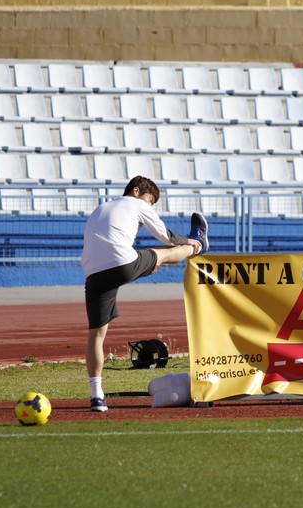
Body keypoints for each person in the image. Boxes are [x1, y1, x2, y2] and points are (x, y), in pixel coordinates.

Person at [81, 176, 209, 412]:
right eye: (151, 201)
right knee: (162, 253)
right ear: (137, 191)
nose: (150, 206)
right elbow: (165, 236)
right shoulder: (138, 204)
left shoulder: (101, 207)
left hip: (93, 275)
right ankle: (198, 245)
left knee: (96, 336)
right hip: (121, 264)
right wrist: (186, 240)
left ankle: (97, 396)